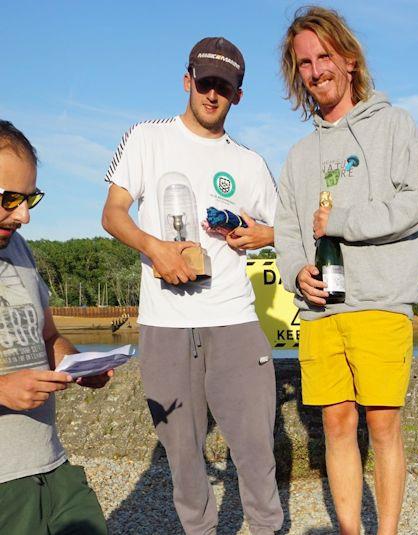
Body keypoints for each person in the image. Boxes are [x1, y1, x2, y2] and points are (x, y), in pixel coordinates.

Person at [101, 37, 283, 534]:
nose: (212, 94)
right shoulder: (146, 137)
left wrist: (262, 234)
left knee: (255, 452)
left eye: (224, 86)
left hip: (235, 320)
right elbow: (113, 214)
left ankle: (267, 528)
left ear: (238, 96)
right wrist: (154, 248)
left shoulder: (250, 163)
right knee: (183, 459)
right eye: (205, 82)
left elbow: (286, 229)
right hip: (165, 322)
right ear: (187, 80)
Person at [275, 7, 418, 534]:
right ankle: (351, 530)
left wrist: (342, 220)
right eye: (304, 62)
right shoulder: (299, 155)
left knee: (383, 424)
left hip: (381, 300)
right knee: (335, 421)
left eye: (325, 56)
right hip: (320, 311)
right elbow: (283, 229)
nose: (317, 70)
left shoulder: (394, 124)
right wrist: (296, 269)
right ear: (296, 74)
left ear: (349, 59)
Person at [0, 120, 112, 534]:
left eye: (30, 199)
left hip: (51, 465)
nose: (23, 215)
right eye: (9, 199)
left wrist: (78, 366)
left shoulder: (18, 247)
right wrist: (3, 389)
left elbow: (47, 337)